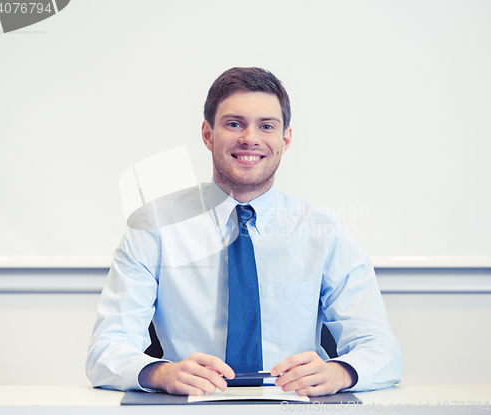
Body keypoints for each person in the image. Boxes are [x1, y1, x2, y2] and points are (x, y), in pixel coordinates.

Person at [86, 67, 403, 396]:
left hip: (294, 407)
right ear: (208, 134)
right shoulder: (154, 226)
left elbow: (382, 351)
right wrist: (162, 374)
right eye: (234, 124)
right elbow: (106, 351)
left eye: (266, 126)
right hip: (193, 407)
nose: (250, 138)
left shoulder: (323, 231)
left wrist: (339, 373)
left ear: (286, 139)